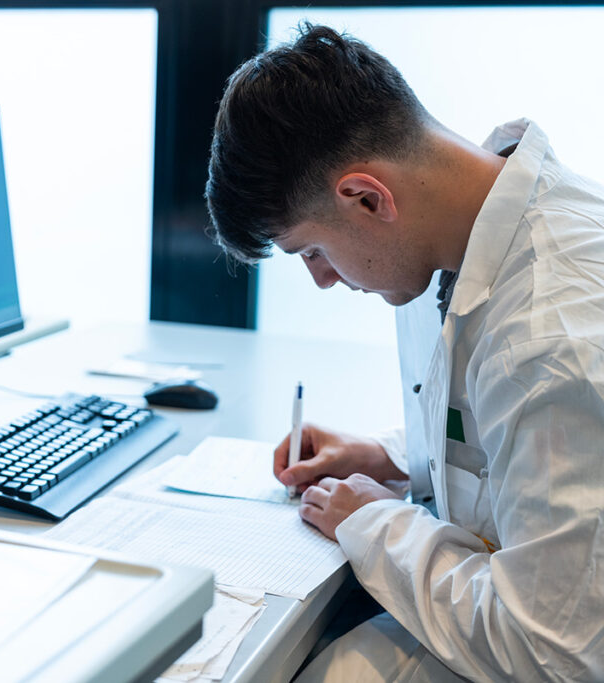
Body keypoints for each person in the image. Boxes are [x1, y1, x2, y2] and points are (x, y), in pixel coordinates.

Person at [205, 24, 604, 682]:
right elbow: (513, 435)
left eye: (311, 250)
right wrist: (392, 455)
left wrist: (376, 522)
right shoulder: (459, 239)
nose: (323, 280)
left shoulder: (555, 329)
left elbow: (555, 651)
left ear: (367, 197)